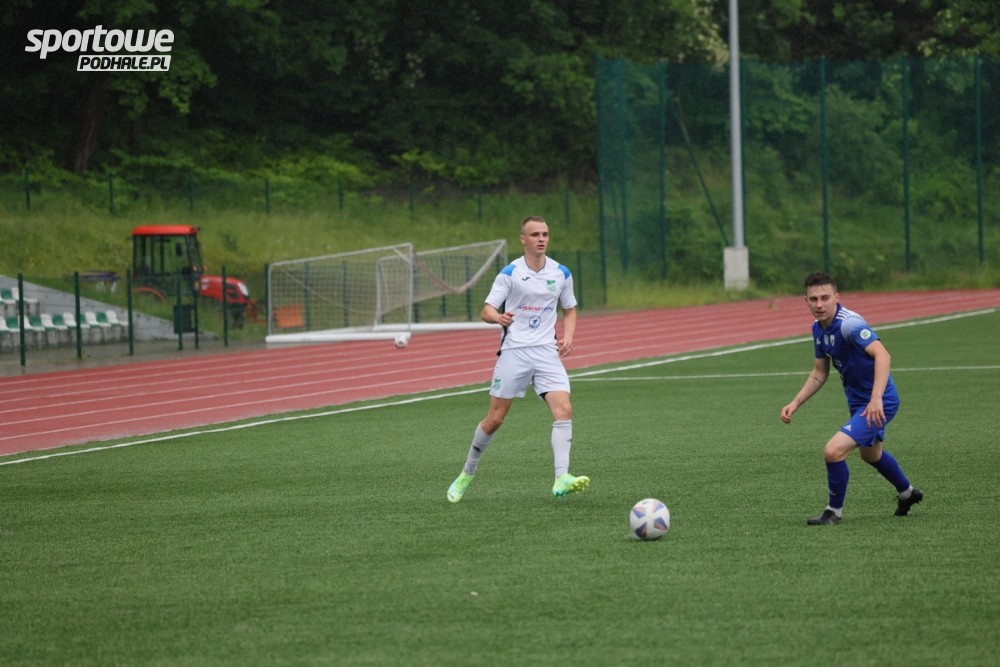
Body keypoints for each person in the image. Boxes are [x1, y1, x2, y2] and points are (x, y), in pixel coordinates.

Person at [446, 216, 590, 503]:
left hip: (547, 352)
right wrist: (498, 317)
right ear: (523, 239)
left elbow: (570, 308)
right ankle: (466, 473)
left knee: (564, 409)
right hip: (515, 352)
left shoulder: (561, 273)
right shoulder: (510, 273)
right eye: (535, 234)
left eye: (545, 234)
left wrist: (568, 336)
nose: (541, 239)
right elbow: (486, 310)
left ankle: (561, 477)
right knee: (494, 420)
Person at [780, 271, 923, 525]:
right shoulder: (817, 329)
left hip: (880, 400)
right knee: (871, 455)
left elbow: (883, 355)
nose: (819, 304)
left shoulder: (849, 324)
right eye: (813, 299)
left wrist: (876, 399)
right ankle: (907, 493)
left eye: (825, 298)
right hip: (858, 402)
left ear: (837, 297)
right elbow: (819, 372)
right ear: (806, 301)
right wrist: (796, 402)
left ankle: (833, 512)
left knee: (833, 451)